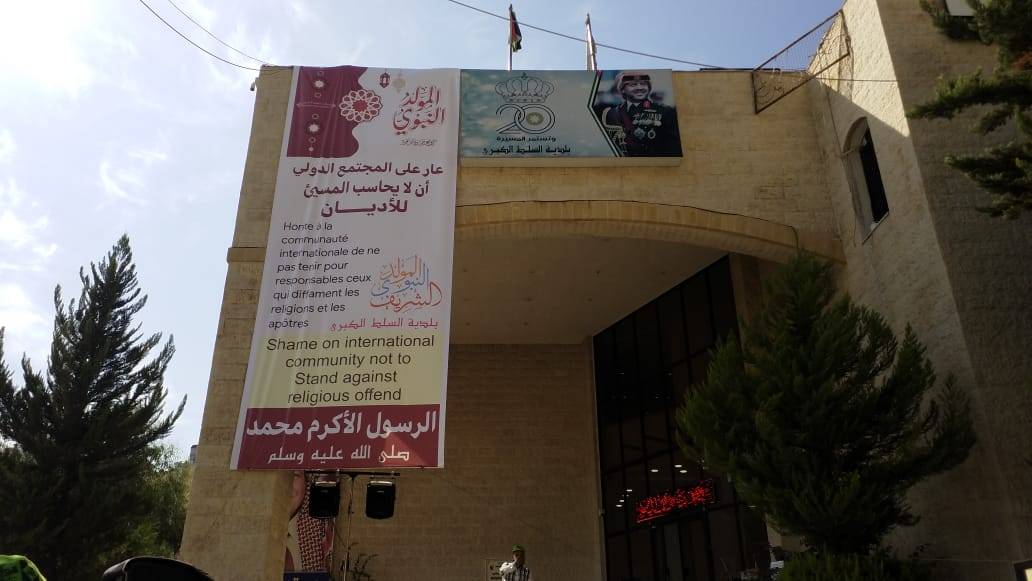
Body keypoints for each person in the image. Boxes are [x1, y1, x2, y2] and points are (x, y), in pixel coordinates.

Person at [597, 71, 680, 157]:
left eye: (643, 84)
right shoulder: (610, 114)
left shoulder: (665, 112)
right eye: (633, 85)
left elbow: (674, 147)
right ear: (622, 89)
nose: (639, 88)